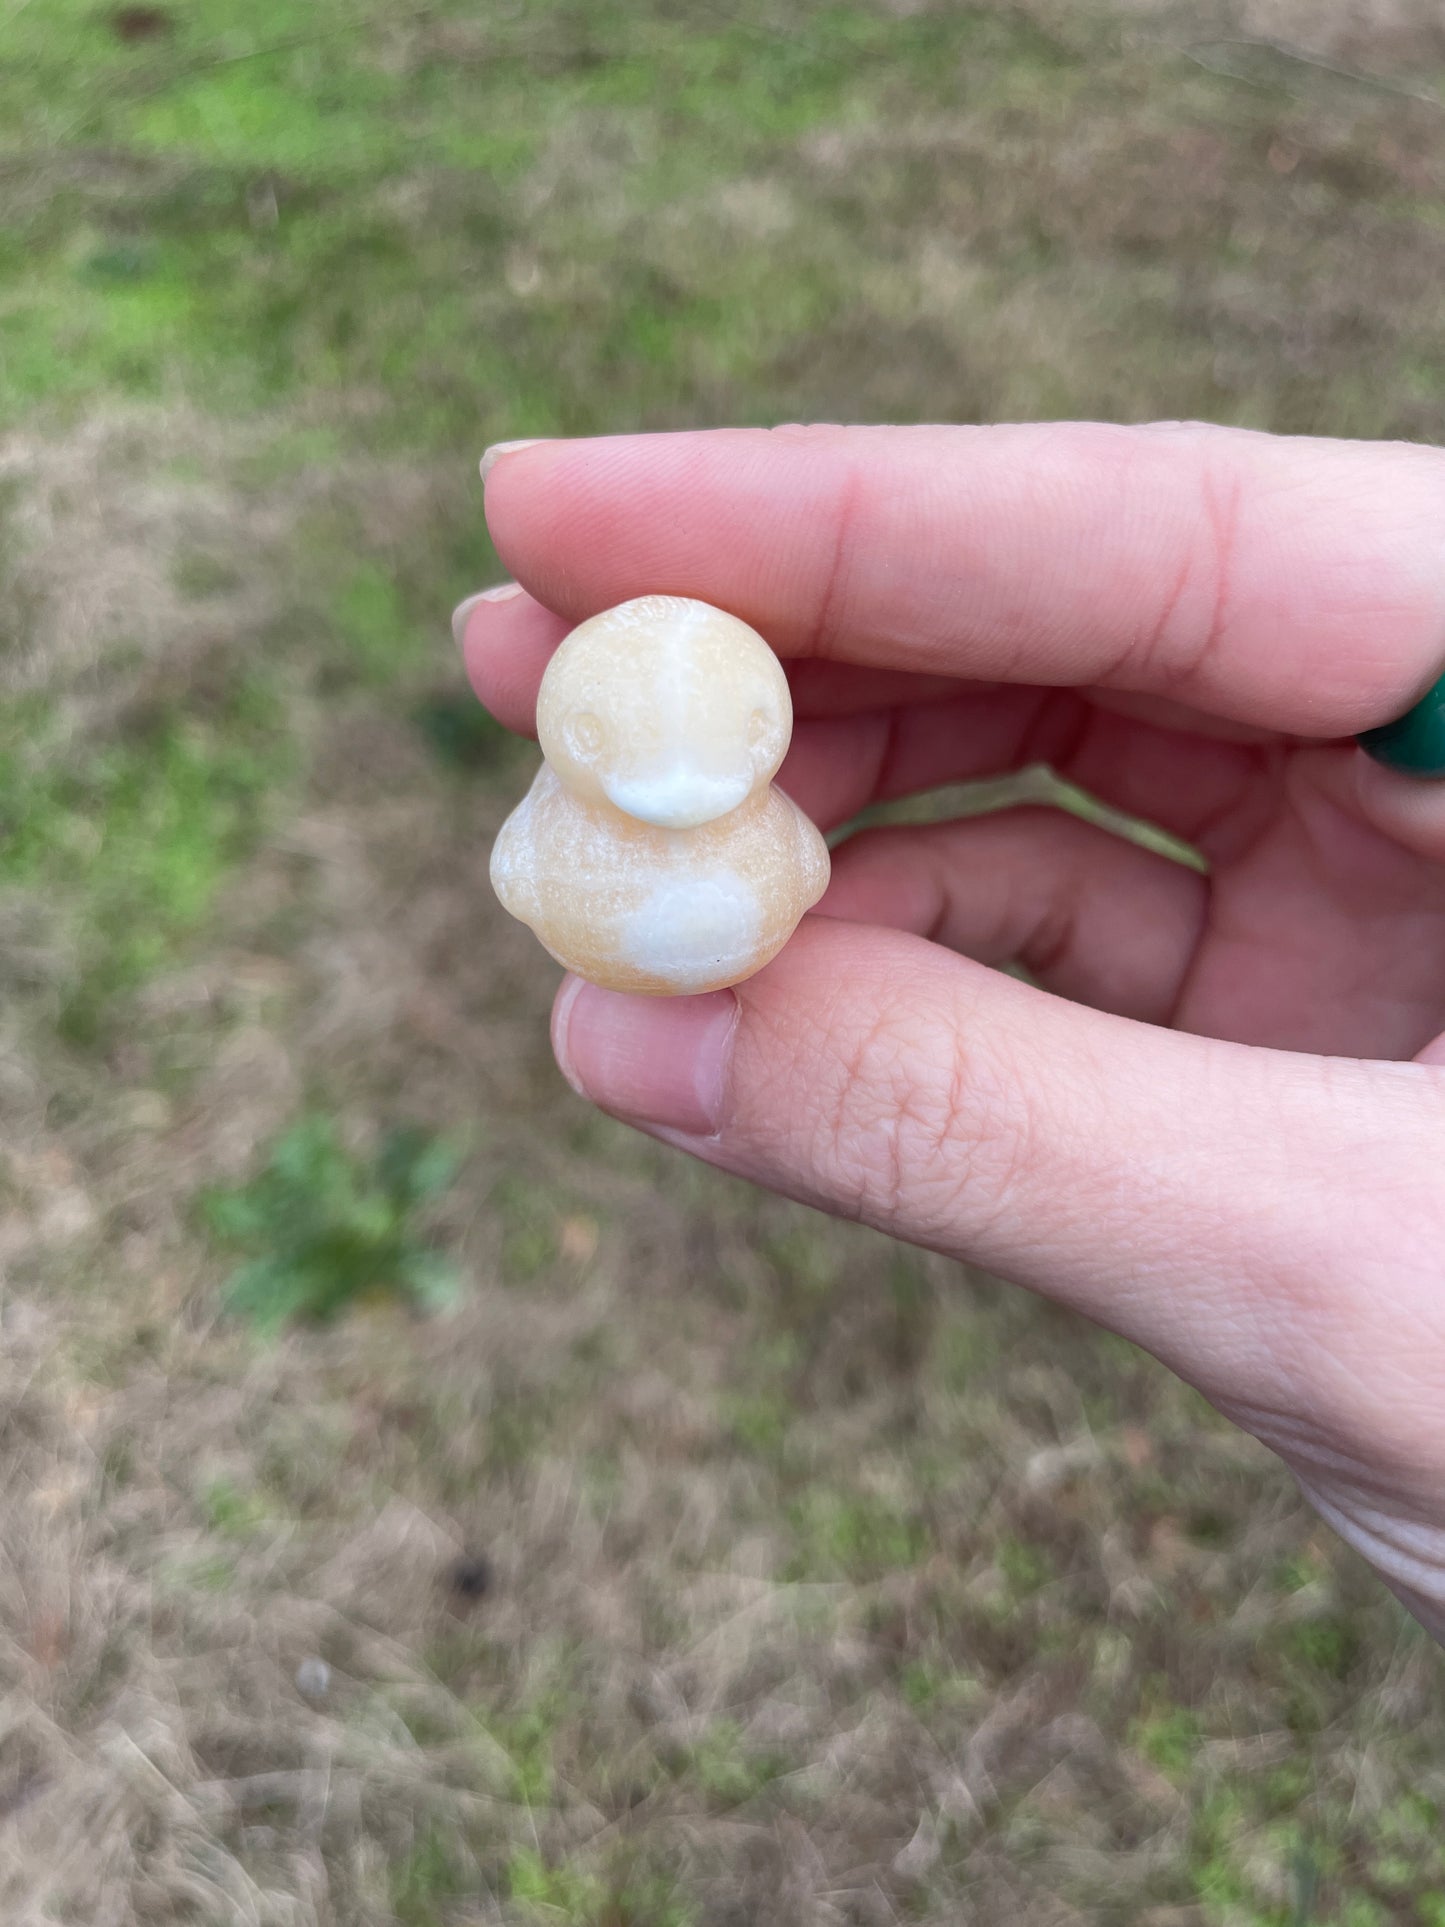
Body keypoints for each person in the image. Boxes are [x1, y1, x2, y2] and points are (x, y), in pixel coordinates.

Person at [454, 421, 1445, 1643]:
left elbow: (792, 853)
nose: (676, 792)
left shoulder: (749, 820)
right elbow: (540, 859)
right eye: (627, 752)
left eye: (718, 750)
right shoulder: (570, 823)